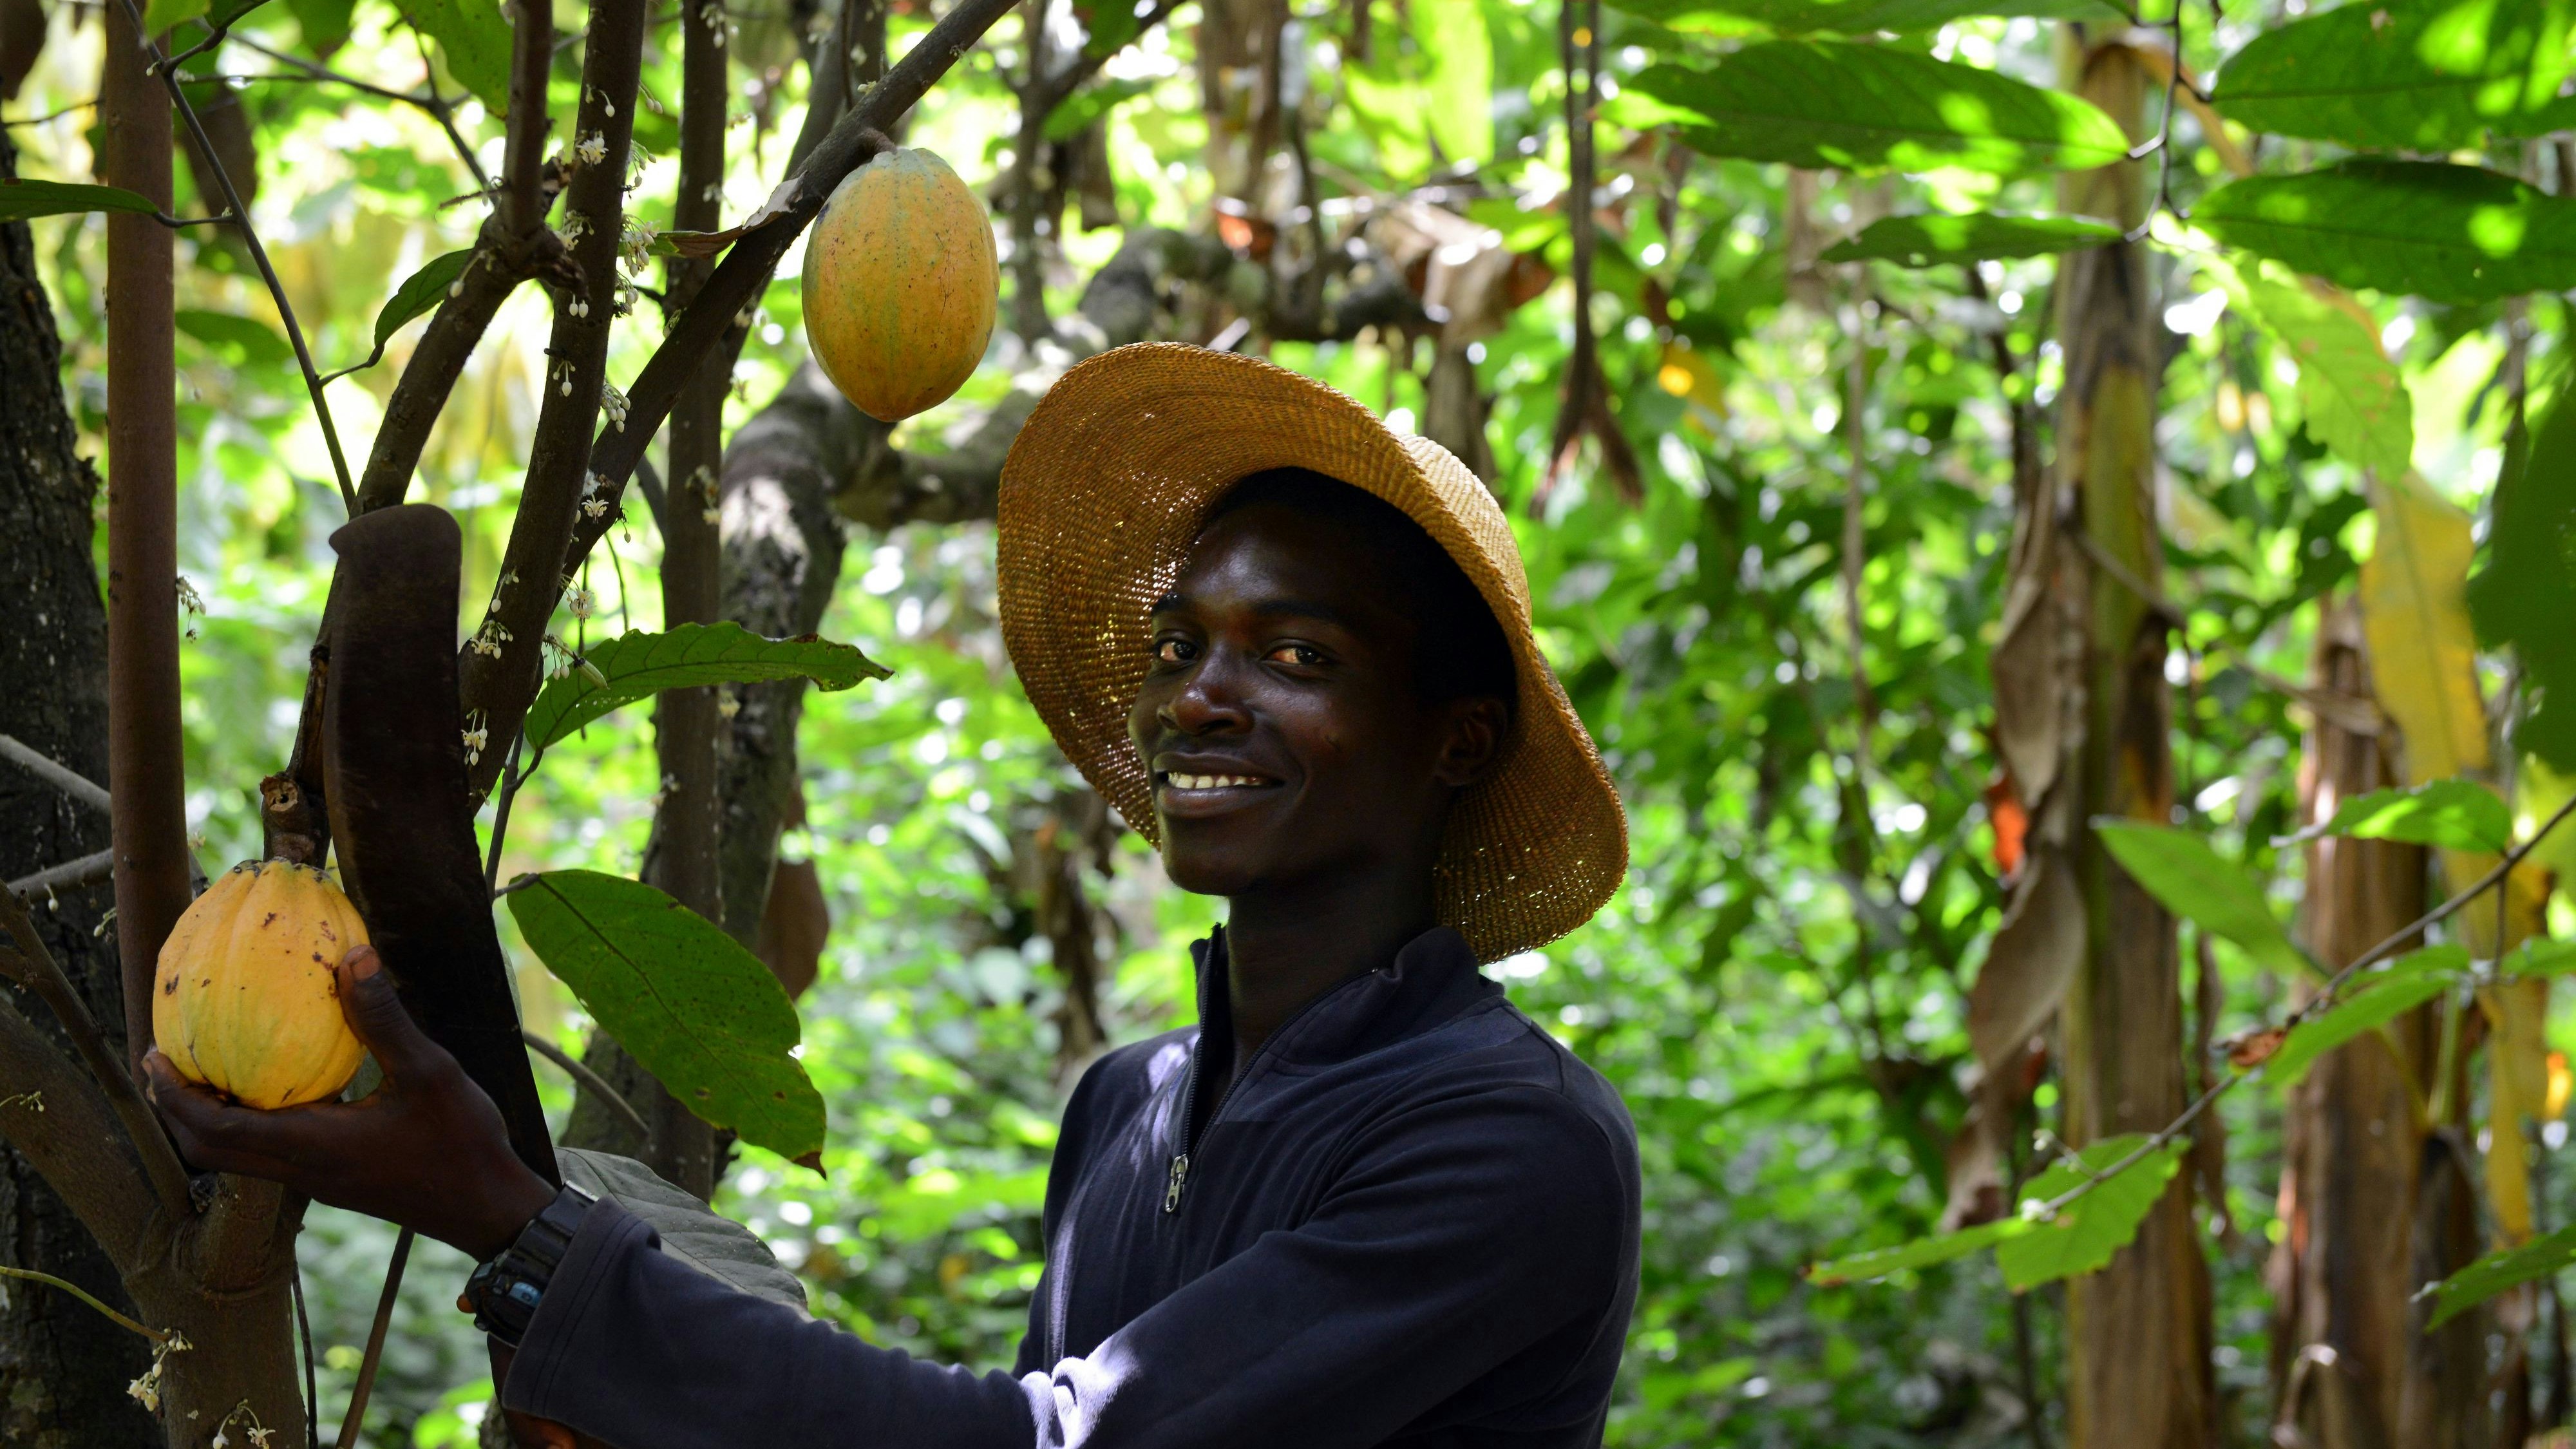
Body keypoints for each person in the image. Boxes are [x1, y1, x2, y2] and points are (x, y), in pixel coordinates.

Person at [148, 344, 1642, 1448]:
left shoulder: (1506, 1144)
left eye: (1296, 657)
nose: (1198, 698)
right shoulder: (1127, 1106)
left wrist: (508, 1220)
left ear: (1455, 740)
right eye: (1179, 646)